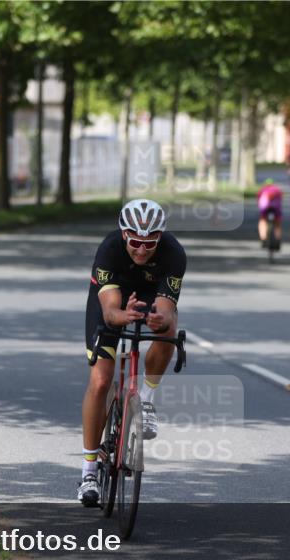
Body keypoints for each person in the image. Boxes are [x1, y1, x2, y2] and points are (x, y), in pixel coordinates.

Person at [78, 199, 186, 506]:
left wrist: (159, 319)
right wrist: (122, 315)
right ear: (125, 234)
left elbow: (166, 308)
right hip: (111, 300)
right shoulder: (109, 249)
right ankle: (88, 470)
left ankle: (146, 402)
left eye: (149, 242)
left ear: (159, 238)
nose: (141, 249)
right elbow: (110, 312)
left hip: (151, 295)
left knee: (168, 331)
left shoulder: (174, 254)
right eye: (135, 241)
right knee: (101, 380)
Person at [257, 178, 283, 250]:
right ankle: (277, 240)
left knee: (262, 221)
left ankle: (263, 239)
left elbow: (259, 201)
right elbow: (280, 200)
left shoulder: (262, 190)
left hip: (265, 209)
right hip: (276, 209)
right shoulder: (277, 190)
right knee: (277, 224)